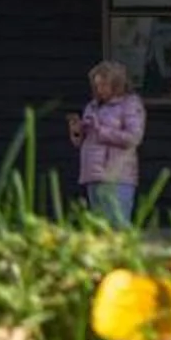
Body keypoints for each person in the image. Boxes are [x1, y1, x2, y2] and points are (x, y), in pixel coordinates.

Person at [70, 61, 145, 223]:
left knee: (118, 224)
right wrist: (77, 131)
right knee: (99, 227)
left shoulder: (130, 104)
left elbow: (134, 137)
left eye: (103, 85)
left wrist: (101, 130)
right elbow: (82, 142)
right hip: (92, 174)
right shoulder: (92, 106)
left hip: (117, 175)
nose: (99, 90)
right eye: (96, 85)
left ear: (116, 84)